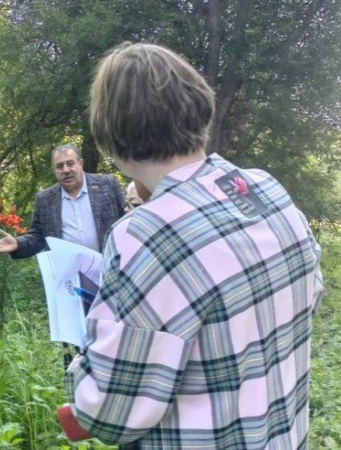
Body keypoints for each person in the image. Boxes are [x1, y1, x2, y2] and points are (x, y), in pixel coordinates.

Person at [58, 42, 323, 449]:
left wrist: (81, 366)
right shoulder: (264, 190)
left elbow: (111, 410)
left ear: (111, 138)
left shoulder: (147, 234)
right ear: (199, 106)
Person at [0, 143, 125, 257]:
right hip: (68, 276)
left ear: (80, 163)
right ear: (53, 170)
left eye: (70, 163)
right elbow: (39, 237)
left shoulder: (108, 184)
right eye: (59, 166)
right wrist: (18, 244)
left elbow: (128, 220)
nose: (66, 170)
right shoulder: (45, 199)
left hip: (110, 267)